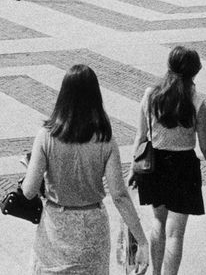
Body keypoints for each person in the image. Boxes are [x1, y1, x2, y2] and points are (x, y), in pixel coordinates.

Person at [21, 65, 150, 274]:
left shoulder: (46, 136)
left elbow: (28, 191)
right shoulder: (105, 139)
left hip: (56, 226)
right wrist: (142, 241)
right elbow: (119, 195)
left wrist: (32, 170)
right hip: (93, 225)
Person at [133, 47, 206, 275]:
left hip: (155, 164)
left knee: (158, 223)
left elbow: (141, 136)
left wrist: (134, 164)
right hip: (184, 166)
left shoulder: (150, 94)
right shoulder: (196, 102)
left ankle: (156, 273)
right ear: (195, 71)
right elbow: (205, 143)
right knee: (175, 234)